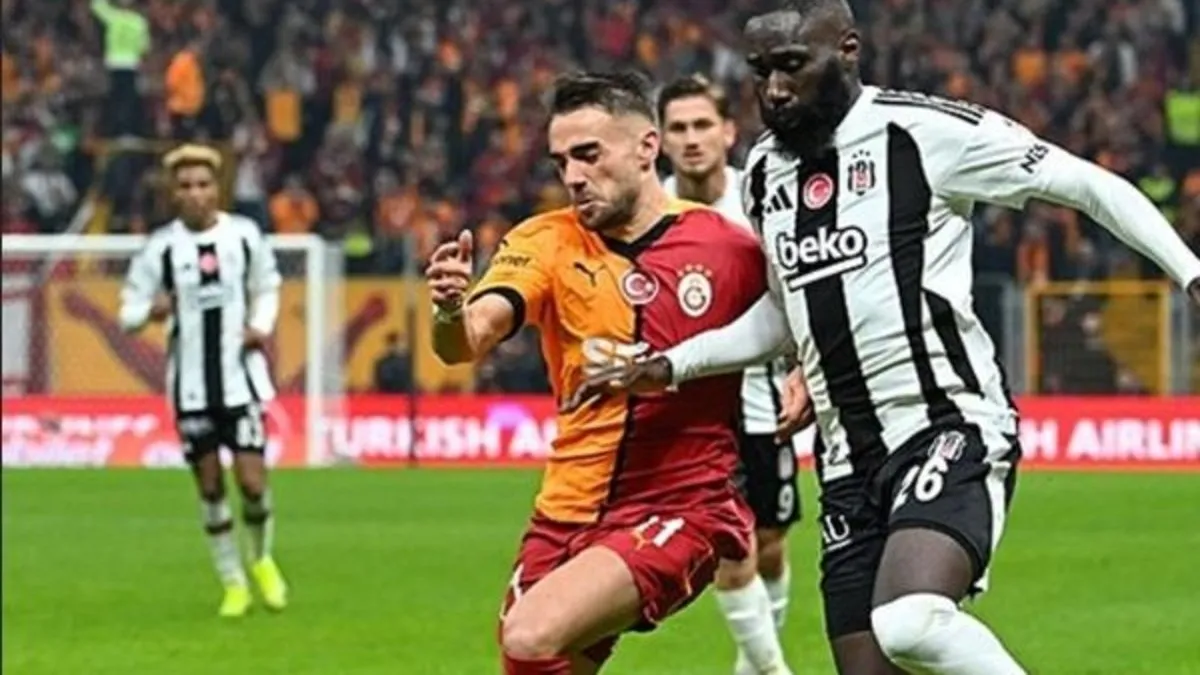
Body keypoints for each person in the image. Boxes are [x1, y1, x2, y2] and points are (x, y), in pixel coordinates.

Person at [568, 2, 1200, 674]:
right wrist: (670, 365)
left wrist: (1191, 274)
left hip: (945, 424)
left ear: (847, 50)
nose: (774, 89)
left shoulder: (924, 132)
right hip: (845, 460)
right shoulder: (765, 173)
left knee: (911, 620)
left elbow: (1088, 185)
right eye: (761, 71)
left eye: (792, 66)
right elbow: (784, 312)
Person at [424, 72, 783, 675]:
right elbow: (466, 342)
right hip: (564, 511)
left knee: (531, 636)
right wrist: (448, 311)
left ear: (646, 148)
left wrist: (801, 377)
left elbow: (799, 321)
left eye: (588, 155)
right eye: (561, 161)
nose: (572, 176)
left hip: (682, 505)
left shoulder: (730, 248)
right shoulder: (544, 240)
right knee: (533, 656)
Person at [658, 74, 801, 675]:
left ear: (728, 132)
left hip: (763, 396)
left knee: (768, 545)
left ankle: (755, 667)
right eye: (678, 128)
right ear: (659, 140)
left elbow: (795, 290)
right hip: (692, 405)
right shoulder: (650, 211)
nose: (691, 139)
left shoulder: (760, 200)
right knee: (730, 548)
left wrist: (802, 369)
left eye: (702, 125)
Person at [119, 144, 288, 618]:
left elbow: (268, 285)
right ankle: (233, 582)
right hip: (191, 390)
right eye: (186, 186)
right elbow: (127, 311)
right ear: (174, 193)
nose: (195, 193)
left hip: (241, 383)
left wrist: (260, 325)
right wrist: (148, 312)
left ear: (217, 189)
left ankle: (261, 559)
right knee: (211, 487)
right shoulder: (161, 248)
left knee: (251, 483)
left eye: (203, 184)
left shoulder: (244, 236)